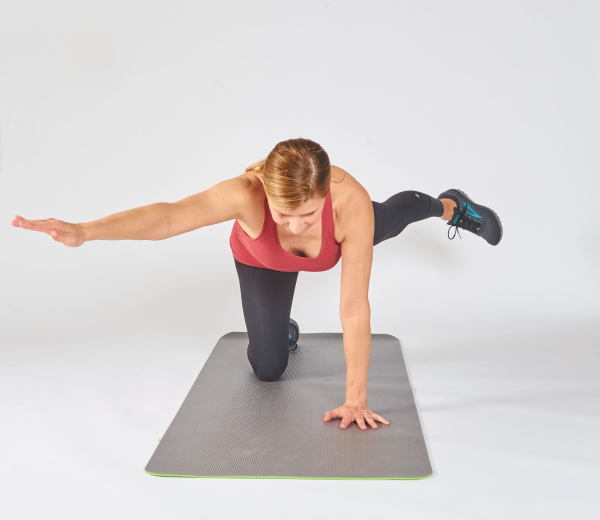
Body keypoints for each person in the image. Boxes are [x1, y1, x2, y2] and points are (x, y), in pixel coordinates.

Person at [10, 137, 503, 431]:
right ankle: (279, 328)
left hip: (354, 230)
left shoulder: (348, 203)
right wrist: (86, 230)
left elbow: (354, 310)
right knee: (267, 369)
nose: (293, 225)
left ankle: (450, 205)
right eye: (283, 214)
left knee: (393, 217)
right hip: (261, 265)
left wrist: (356, 399)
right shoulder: (245, 194)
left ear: (325, 191)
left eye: (306, 214)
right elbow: (168, 218)